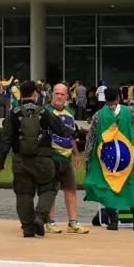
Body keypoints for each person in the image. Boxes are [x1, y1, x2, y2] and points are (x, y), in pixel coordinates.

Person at [0, 80, 74, 238]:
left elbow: (5, 139)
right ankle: (40, 217)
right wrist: (75, 132)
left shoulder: (13, 113)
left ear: (21, 94)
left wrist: (1, 162)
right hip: (43, 159)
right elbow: (61, 130)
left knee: (23, 193)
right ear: (34, 94)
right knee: (49, 188)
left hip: (20, 160)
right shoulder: (44, 112)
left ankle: (27, 227)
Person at [84, 86, 134, 232]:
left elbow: (91, 139)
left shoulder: (98, 115)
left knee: (109, 185)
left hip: (107, 157)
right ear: (118, 98)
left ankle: (113, 221)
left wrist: (87, 158)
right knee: (133, 184)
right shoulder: (128, 111)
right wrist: (130, 100)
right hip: (129, 155)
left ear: (105, 99)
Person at [44, 83, 88, 234]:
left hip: (67, 156)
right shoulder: (45, 112)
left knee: (71, 190)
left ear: (67, 97)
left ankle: (73, 222)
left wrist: (76, 154)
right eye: (57, 93)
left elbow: (72, 135)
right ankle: (49, 221)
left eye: (62, 94)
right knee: (51, 190)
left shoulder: (69, 111)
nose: (59, 97)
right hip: (51, 157)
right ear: (52, 95)